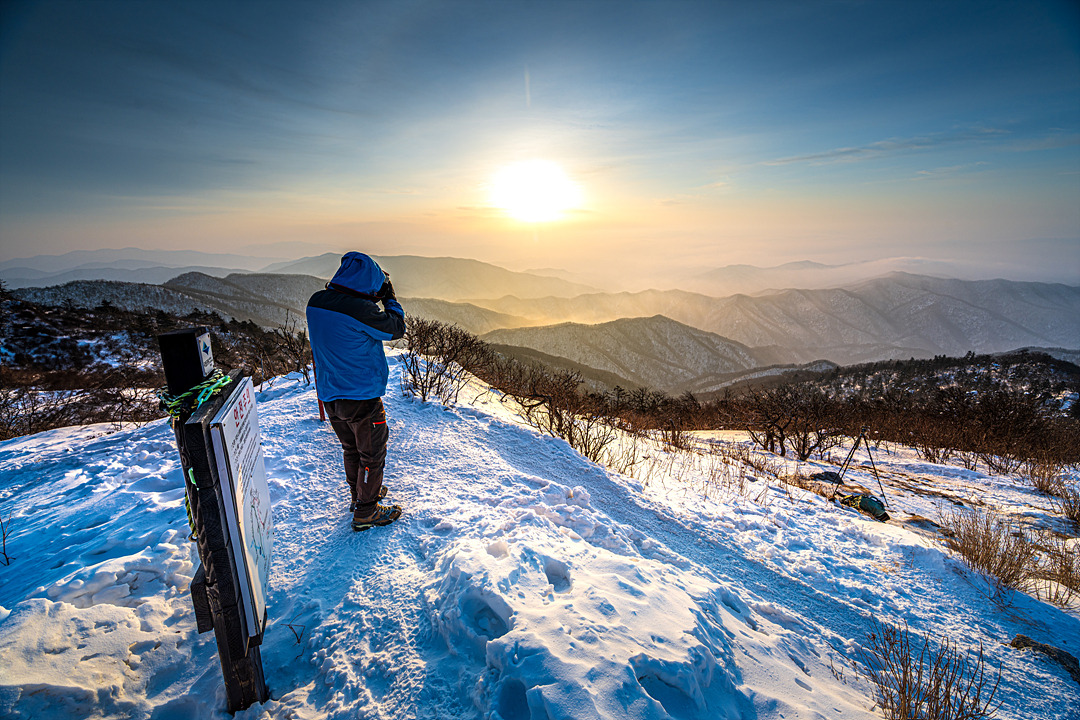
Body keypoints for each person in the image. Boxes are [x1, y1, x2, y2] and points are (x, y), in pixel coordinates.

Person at [306, 252, 406, 531]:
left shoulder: (316, 302)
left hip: (330, 395)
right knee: (372, 455)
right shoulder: (360, 311)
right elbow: (395, 328)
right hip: (361, 396)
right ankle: (366, 511)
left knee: (351, 449)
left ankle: (360, 496)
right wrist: (389, 297)